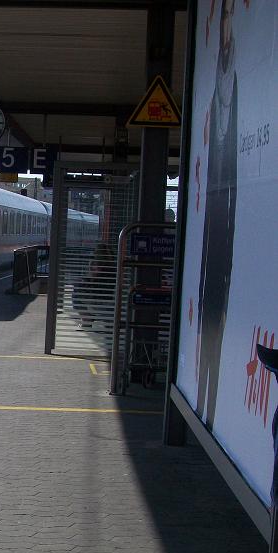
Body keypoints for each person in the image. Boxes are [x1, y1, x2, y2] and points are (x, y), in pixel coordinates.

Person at [196, 0, 238, 429]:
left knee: (218, 330)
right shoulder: (216, 89)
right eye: (223, 20)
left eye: (228, 21)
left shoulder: (238, 82)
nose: (225, 31)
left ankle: (209, 412)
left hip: (226, 234)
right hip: (211, 230)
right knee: (206, 331)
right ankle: (203, 405)